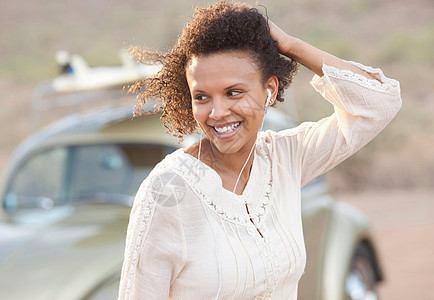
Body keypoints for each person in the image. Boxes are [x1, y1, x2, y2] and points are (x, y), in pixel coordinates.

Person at [118, 2, 402, 299]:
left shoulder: (286, 158)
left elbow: (379, 103)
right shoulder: (167, 191)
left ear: (270, 90)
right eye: (201, 97)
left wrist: (291, 46)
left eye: (233, 92)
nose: (216, 112)